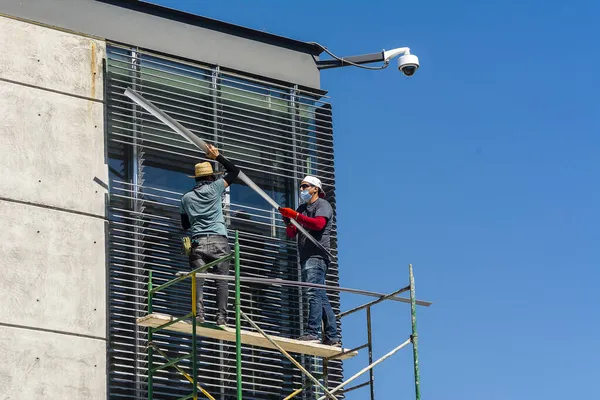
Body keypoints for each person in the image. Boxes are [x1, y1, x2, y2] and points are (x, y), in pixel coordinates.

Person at [180, 143, 240, 326]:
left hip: (198, 242)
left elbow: (185, 225)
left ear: (196, 179)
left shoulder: (186, 198)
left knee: (198, 279)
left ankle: (198, 315)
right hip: (219, 240)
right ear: (211, 176)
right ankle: (221, 317)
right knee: (221, 280)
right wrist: (218, 156)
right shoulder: (215, 188)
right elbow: (234, 172)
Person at [279, 175, 340, 346]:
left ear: (315, 189)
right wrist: (289, 222)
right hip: (306, 256)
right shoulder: (302, 209)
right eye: (301, 187)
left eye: (305, 186)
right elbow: (292, 234)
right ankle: (332, 336)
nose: (302, 190)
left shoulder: (322, 205)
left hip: (317, 255)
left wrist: (296, 216)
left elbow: (319, 224)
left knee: (313, 293)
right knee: (320, 295)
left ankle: (313, 332)